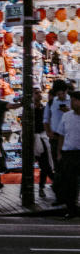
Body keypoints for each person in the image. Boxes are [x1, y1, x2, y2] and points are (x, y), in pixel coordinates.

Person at [57, 90, 80, 219]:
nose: (72, 103)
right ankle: (71, 209)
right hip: (69, 153)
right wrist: (59, 152)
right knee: (69, 183)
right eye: (71, 100)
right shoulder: (66, 116)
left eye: (75, 100)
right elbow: (61, 134)